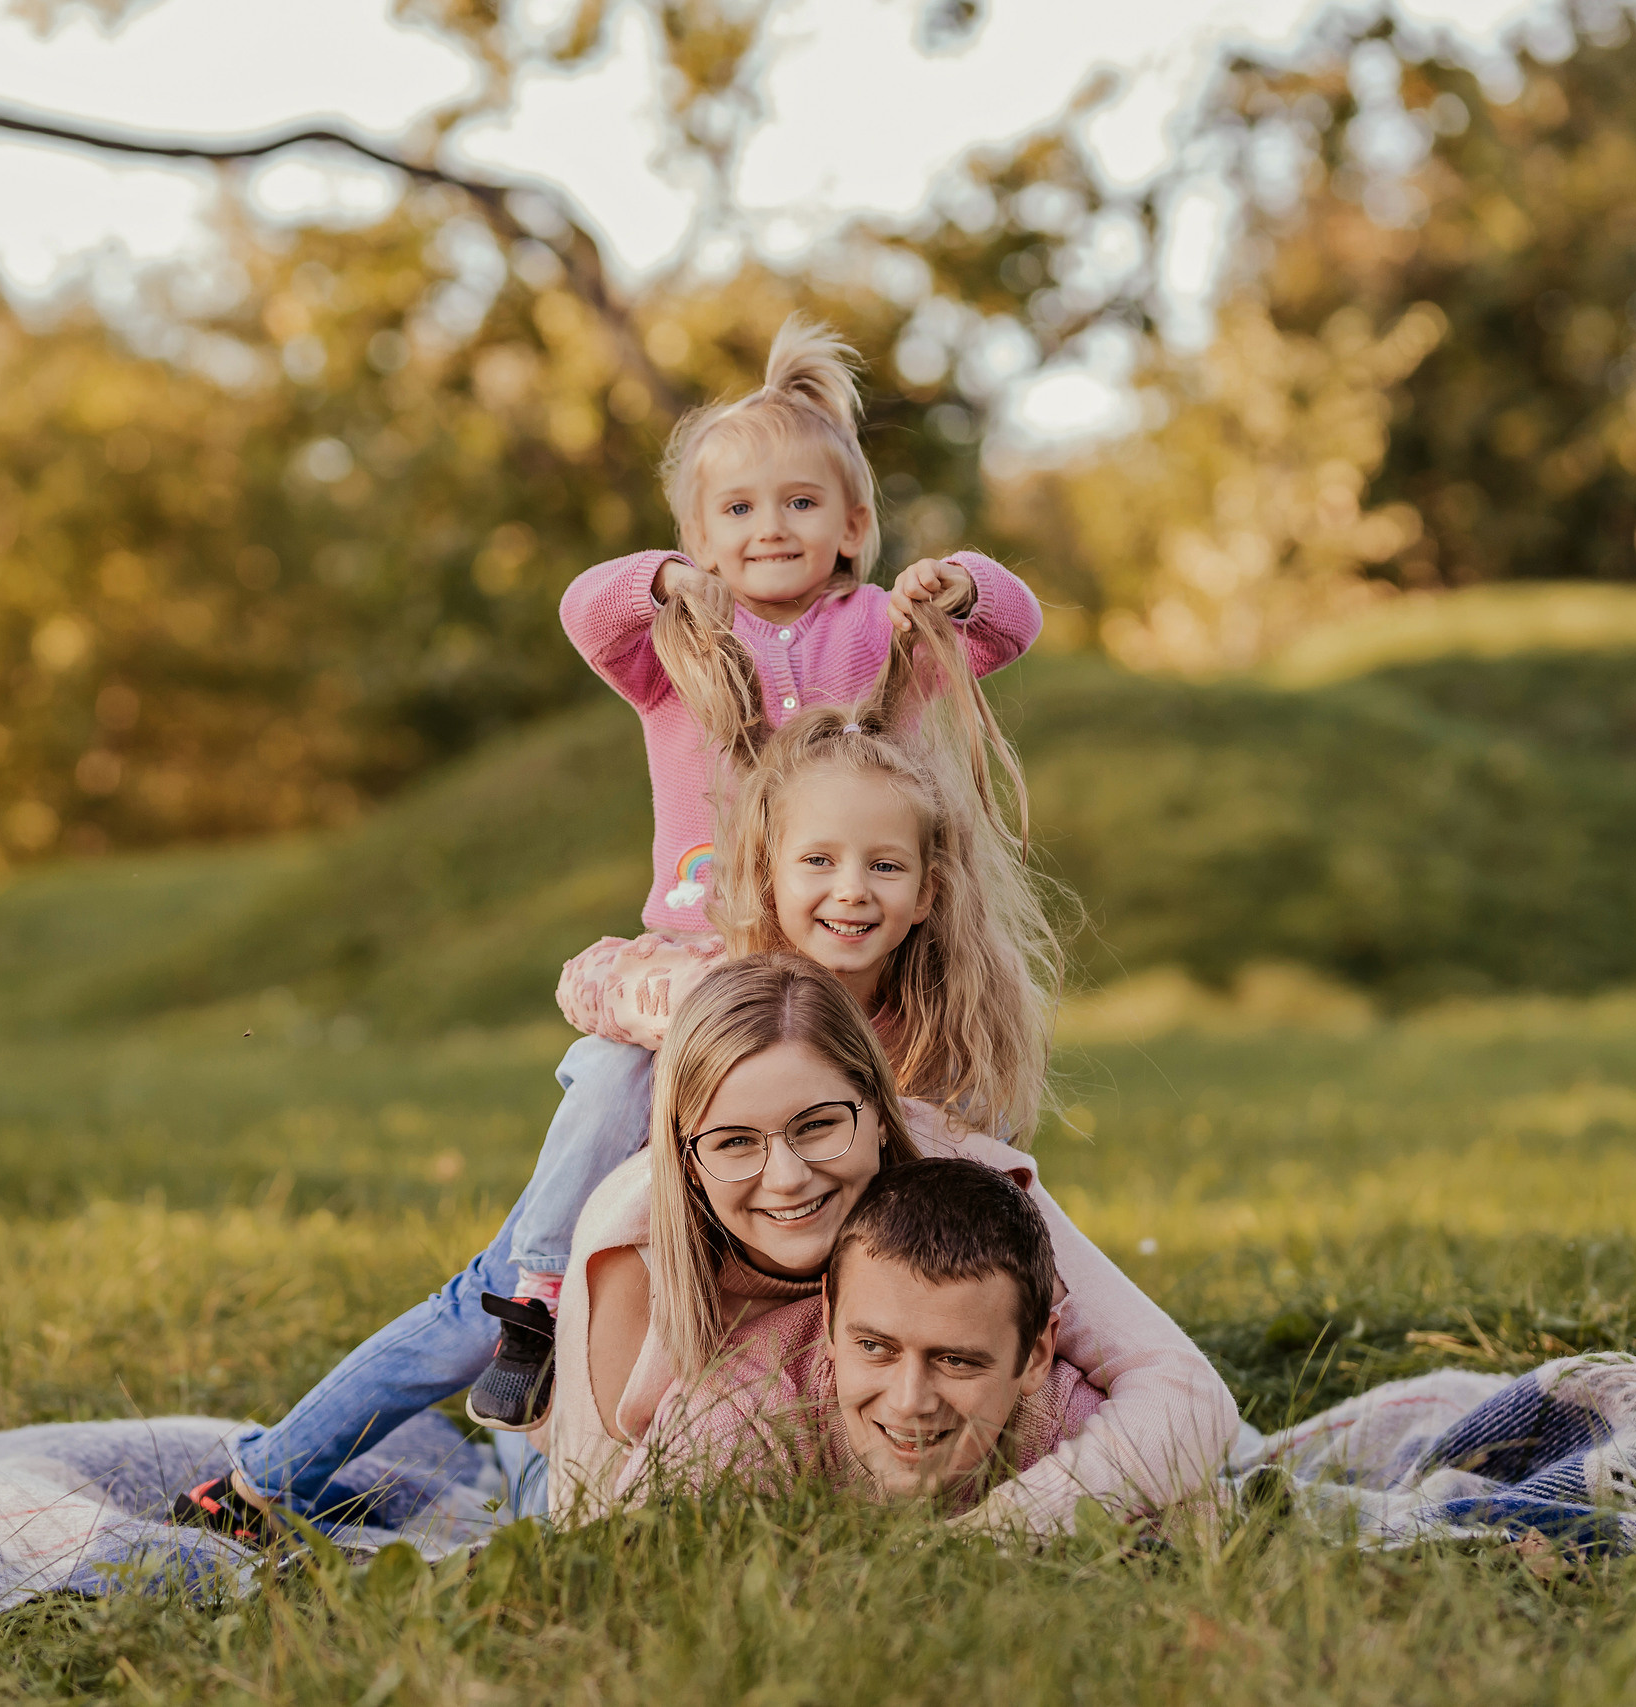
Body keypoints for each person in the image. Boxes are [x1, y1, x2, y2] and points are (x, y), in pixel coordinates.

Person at [177, 318, 1042, 1538]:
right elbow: (591, 613)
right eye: (735, 513)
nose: (771, 529)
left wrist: (960, 583)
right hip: (691, 975)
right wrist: (658, 585)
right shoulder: (683, 650)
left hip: (802, 1008)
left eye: (802, 503)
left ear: (854, 525)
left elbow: (1008, 628)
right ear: (700, 541)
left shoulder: (879, 645)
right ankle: (374, 1406)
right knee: (555, 1172)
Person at [538, 956, 1239, 1537]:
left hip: (932, 1448)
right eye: (734, 1142)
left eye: (816, 1125)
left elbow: (1183, 1391)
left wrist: (996, 1533)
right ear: (687, 1157)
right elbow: (594, 1525)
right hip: (667, 1453)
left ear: (882, 1111)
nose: (786, 1178)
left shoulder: (959, 1176)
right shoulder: (633, 1248)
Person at [620, 1156, 1096, 1516]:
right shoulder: (740, 1417)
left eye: (956, 1360)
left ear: (1035, 1356)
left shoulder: (1073, 1425)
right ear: (829, 1316)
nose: (910, 1402)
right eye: (873, 1347)